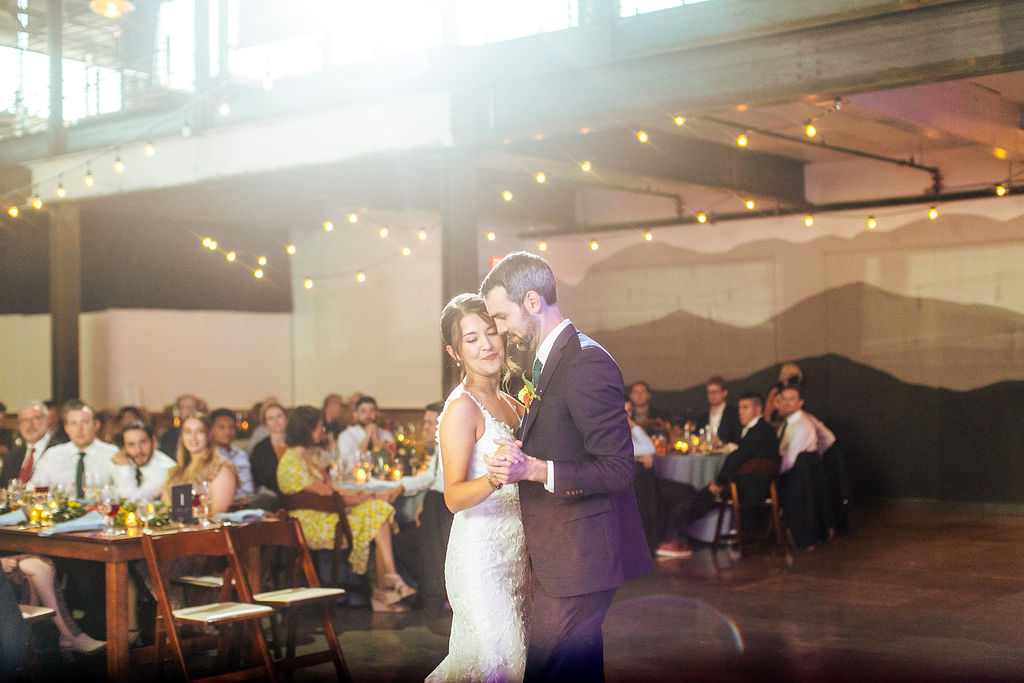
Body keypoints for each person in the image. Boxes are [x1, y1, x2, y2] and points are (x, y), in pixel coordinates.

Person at [482, 252, 653, 682]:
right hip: (565, 552)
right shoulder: (546, 361)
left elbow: (618, 469)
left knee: (545, 668)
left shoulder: (584, 362)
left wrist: (536, 470)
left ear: (533, 302)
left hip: (583, 555)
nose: (499, 330)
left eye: (502, 317)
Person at [426, 293, 529, 682]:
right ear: (455, 352)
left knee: (512, 663)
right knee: (496, 664)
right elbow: (452, 497)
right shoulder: (462, 408)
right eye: (472, 339)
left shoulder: (513, 404)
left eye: (490, 333)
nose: (486, 345)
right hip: (480, 559)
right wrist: (492, 478)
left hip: (516, 552)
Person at [275, 405, 412, 612]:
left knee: (379, 510)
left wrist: (358, 496)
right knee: (377, 511)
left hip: (327, 513)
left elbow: (330, 489)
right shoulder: (290, 461)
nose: (321, 432)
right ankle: (385, 589)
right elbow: (325, 495)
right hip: (310, 522)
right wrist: (363, 499)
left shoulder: (308, 456)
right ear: (307, 429)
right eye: (318, 428)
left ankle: (387, 585)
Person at [395, 401, 452, 612]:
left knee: (431, 501)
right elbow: (429, 476)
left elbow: (445, 483)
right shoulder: (436, 450)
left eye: (430, 423)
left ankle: (435, 593)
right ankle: (433, 585)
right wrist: (399, 487)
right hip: (437, 510)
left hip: (450, 512)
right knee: (400, 541)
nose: (425, 427)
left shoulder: (452, 445)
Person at [29, 400, 117, 497]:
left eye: (85, 422)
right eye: (73, 424)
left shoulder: (112, 454)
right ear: (66, 428)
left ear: (96, 425)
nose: (79, 429)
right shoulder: (53, 455)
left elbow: (124, 493)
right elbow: (35, 490)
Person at [162, 413, 237, 515]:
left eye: (199, 431)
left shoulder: (220, 469)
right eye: (188, 432)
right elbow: (165, 510)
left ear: (209, 435)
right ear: (182, 436)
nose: (193, 437)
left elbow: (218, 516)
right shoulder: (175, 472)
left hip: (206, 529)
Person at [111, 421, 177, 500]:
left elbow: (134, 500)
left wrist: (125, 468)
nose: (138, 450)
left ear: (153, 441)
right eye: (131, 444)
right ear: (124, 448)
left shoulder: (166, 468)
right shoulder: (127, 460)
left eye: (143, 442)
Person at [1, 402, 56, 487]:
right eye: (24, 420)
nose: (30, 424)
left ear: (47, 420)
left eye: (36, 418)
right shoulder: (11, 457)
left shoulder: (60, 450)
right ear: (19, 425)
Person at [337, 396, 394, 475]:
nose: (368, 415)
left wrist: (374, 438)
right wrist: (367, 436)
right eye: (363, 411)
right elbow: (350, 463)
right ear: (356, 414)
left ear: (377, 413)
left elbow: (387, 462)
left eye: (372, 411)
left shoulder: (386, 434)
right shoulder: (346, 436)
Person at [209, 408, 256, 501]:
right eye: (222, 427)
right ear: (211, 430)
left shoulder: (241, 454)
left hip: (248, 503)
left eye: (231, 427)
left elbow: (250, 488)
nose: (228, 432)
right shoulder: (208, 456)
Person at [248, 402, 288, 497]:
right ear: (265, 423)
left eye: (279, 416)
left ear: (286, 418)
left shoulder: (297, 444)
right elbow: (259, 482)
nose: (276, 421)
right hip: (272, 498)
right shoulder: (259, 450)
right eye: (271, 418)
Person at [696, 376, 742, 446]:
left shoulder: (734, 414)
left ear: (725, 393)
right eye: (709, 392)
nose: (712, 395)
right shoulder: (703, 417)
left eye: (715, 392)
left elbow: (738, 438)